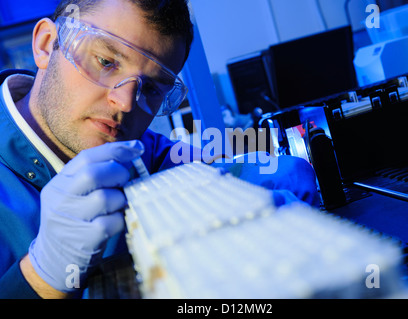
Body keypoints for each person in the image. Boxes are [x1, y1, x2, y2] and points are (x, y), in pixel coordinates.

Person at [0, 0, 320, 299]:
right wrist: (38, 276)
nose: (125, 103)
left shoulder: (138, 151)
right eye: (106, 62)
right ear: (45, 44)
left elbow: (281, 174)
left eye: (151, 88)